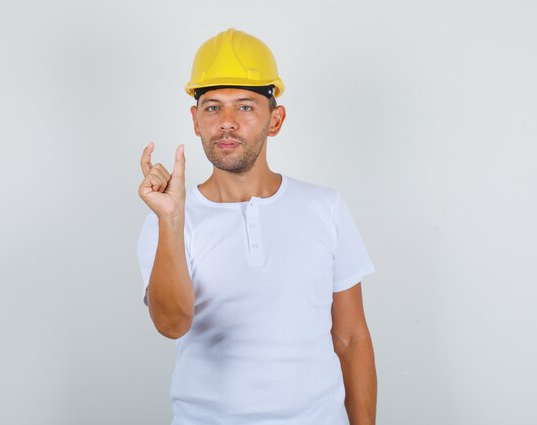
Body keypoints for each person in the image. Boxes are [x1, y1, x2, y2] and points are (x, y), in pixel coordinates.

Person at [137, 28, 377, 425]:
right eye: (212, 107)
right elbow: (171, 323)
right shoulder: (167, 218)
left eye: (245, 106)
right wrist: (172, 220)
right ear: (195, 121)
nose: (227, 123)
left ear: (276, 118)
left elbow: (352, 337)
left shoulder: (325, 207)